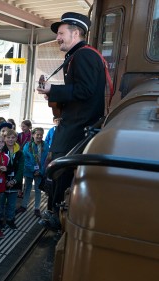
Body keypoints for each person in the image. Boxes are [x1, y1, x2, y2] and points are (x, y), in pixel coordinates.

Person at [37, 12, 107, 223]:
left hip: (77, 126)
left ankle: (57, 214)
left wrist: (53, 89)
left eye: (60, 33)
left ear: (75, 33)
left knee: (61, 168)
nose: (57, 38)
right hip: (76, 124)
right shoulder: (82, 55)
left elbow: (85, 91)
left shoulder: (84, 55)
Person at [18, 128, 49, 217]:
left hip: (40, 172)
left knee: (38, 189)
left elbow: (46, 160)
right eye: (37, 134)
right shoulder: (28, 146)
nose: (39, 136)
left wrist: (40, 171)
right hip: (29, 171)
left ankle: (37, 208)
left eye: (41, 134)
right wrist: (33, 170)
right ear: (33, 135)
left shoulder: (45, 146)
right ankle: (24, 206)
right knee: (27, 188)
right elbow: (25, 160)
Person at [1, 129, 24, 230]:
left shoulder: (20, 153)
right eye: (8, 137)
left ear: (16, 138)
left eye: (13, 137)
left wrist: (14, 181)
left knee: (11, 204)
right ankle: (0, 221)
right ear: (4, 138)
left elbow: (21, 169)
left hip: (14, 183)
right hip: (2, 182)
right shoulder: (1, 151)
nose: (10, 139)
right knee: (0, 203)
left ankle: (10, 220)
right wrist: (6, 181)